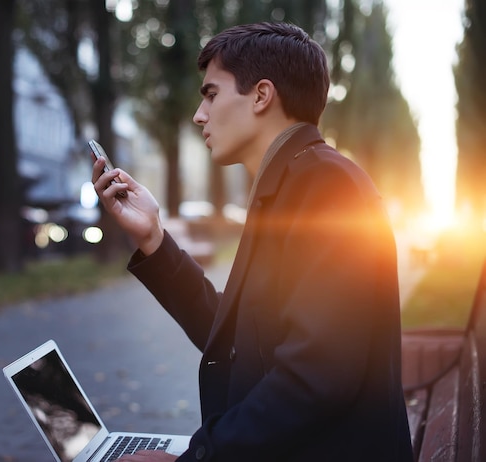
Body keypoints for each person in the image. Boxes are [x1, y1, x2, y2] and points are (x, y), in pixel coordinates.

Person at [92, 22, 413, 462]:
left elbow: (316, 377)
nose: (198, 114)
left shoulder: (326, 186)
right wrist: (153, 237)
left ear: (262, 95)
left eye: (211, 94)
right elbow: (237, 337)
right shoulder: (291, 183)